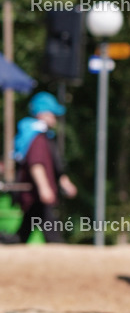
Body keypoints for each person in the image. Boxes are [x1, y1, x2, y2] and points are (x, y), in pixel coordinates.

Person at [14, 92, 76, 243]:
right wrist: (44, 188)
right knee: (53, 234)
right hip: (39, 195)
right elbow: (37, 164)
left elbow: (54, 167)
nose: (55, 117)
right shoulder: (37, 138)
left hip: (36, 197)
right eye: (52, 113)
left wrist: (64, 182)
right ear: (42, 114)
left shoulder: (44, 136)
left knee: (23, 234)